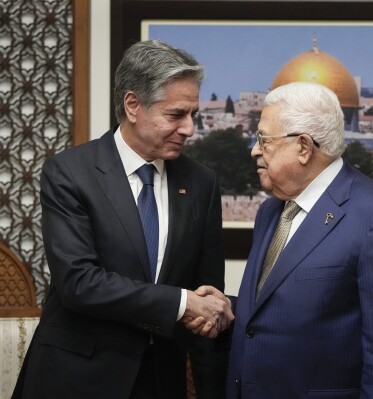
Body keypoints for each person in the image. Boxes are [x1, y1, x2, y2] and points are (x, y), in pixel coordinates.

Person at [12, 40, 234, 399]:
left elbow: (207, 302)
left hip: (161, 382)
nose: (190, 128)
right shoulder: (70, 173)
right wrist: (181, 302)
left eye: (194, 114)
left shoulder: (201, 183)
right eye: (176, 114)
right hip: (76, 380)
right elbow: (79, 283)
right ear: (133, 105)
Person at [225, 82, 373, 398]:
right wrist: (228, 309)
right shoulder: (270, 212)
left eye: (264, 139)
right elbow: (277, 311)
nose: (254, 149)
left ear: (304, 147)